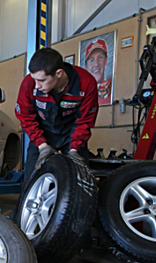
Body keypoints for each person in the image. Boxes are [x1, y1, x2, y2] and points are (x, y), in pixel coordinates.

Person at [15, 48, 99, 181]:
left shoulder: (86, 83)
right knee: (31, 180)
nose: (36, 86)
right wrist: (42, 145)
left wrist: (74, 149)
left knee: (80, 180)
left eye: (42, 80)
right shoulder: (29, 84)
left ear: (59, 73)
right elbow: (26, 117)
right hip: (42, 132)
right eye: (34, 79)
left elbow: (85, 120)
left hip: (72, 134)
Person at [84, 38, 112, 105]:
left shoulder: (112, 85)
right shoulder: (80, 92)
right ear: (86, 66)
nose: (96, 64)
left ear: (106, 60)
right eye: (91, 60)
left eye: (100, 57)